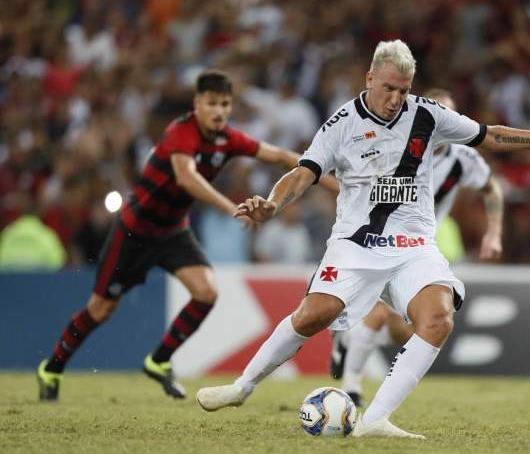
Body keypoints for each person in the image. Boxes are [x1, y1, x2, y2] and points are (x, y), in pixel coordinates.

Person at [196, 40, 530, 438]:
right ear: (370, 78)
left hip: (413, 246)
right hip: (356, 244)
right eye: (388, 88)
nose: (395, 99)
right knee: (314, 315)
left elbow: (489, 136)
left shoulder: (427, 114)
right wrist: (271, 204)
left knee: (438, 318)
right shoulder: (341, 124)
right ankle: (242, 387)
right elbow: (303, 173)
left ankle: (374, 420)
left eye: (403, 90)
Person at [35, 70, 336, 402]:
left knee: (206, 292)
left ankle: (159, 360)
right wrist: (228, 206)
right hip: (135, 230)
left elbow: (280, 156)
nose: (219, 111)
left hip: (172, 231)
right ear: (197, 104)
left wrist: (333, 182)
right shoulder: (181, 132)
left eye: (225, 104)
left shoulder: (228, 140)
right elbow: (186, 177)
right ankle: (52, 366)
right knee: (100, 309)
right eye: (212, 103)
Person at [329, 88, 504, 407]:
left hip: (420, 247)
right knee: (379, 310)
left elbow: (491, 189)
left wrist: (493, 233)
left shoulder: (463, 158)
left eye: (449, 116)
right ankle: (352, 387)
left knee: (405, 331)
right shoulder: (394, 144)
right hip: (380, 238)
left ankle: (348, 338)